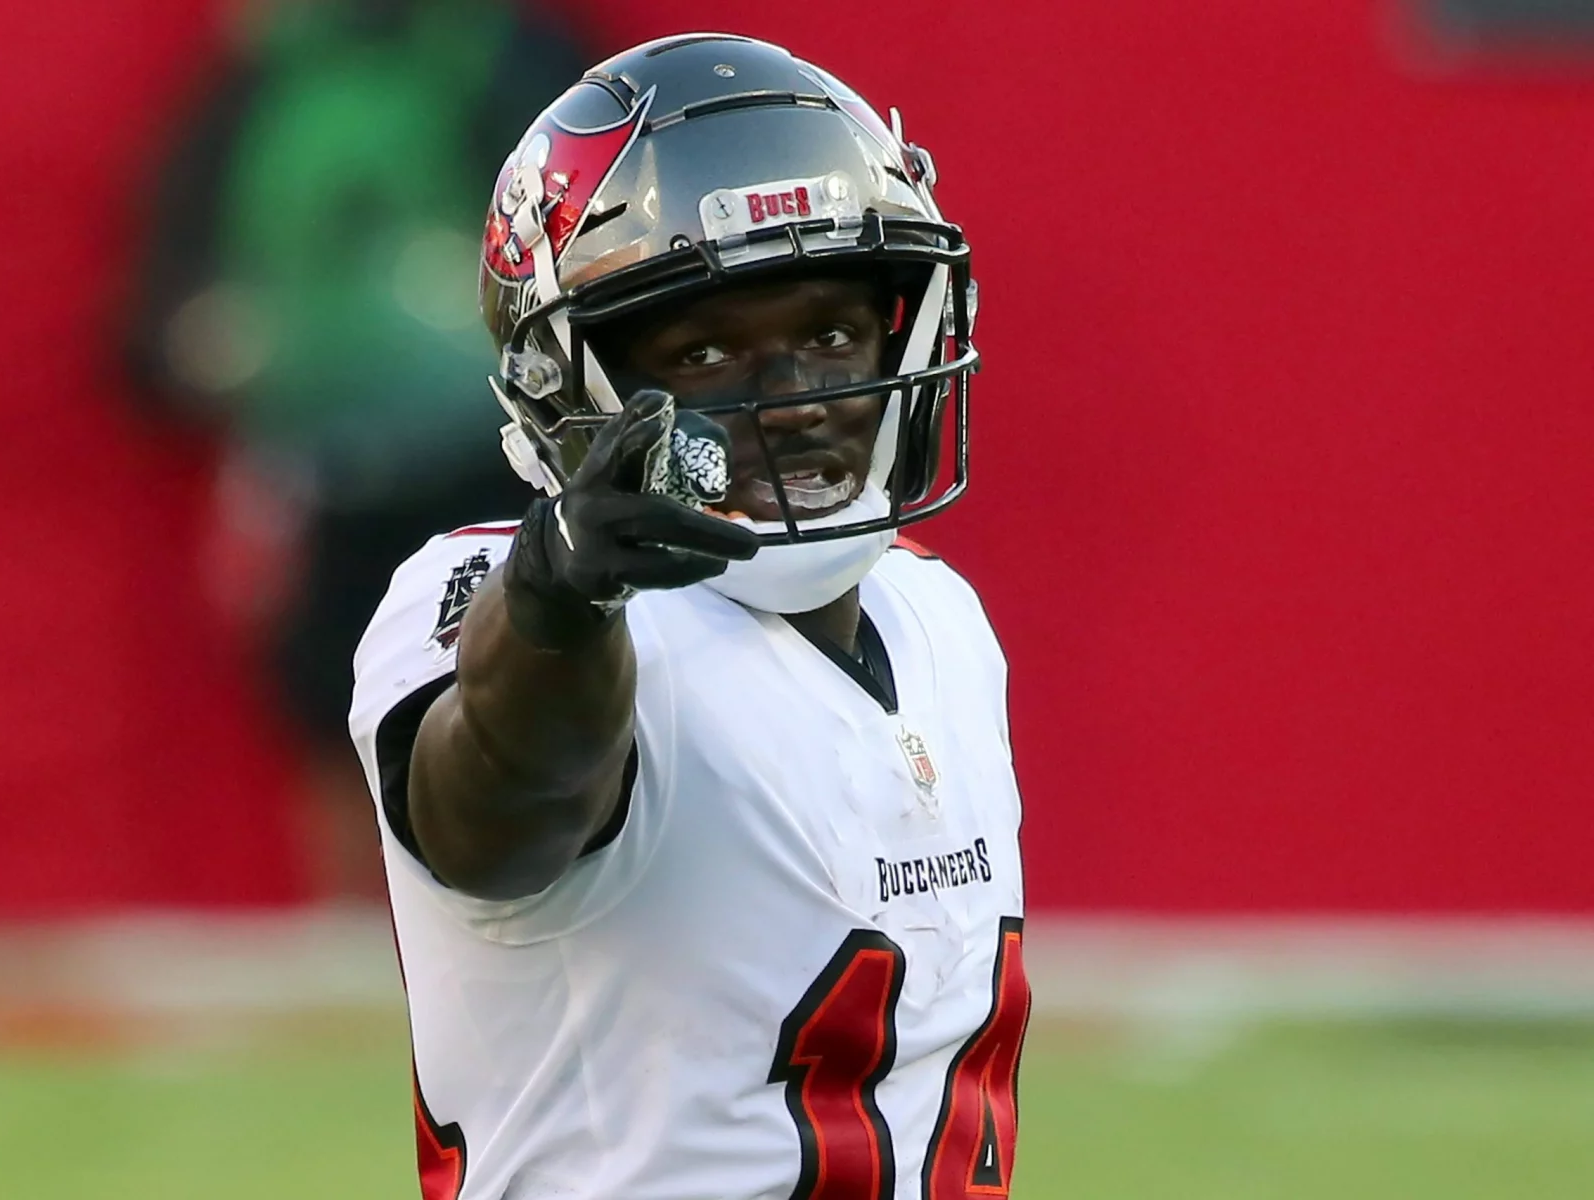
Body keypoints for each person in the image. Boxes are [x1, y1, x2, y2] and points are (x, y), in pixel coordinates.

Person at [349, 33, 1030, 1198]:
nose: (797, 399)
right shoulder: (499, 595)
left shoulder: (938, 619)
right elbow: (498, 819)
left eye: (829, 334)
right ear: (571, 381)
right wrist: (560, 601)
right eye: (707, 350)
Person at [124, 0, 585, 898]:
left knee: (523, 715)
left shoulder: (508, 59)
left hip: (496, 470)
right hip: (320, 484)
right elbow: (159, 320)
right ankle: (375, 936)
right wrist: (206, 343)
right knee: (346, 729)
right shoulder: (256, 83)